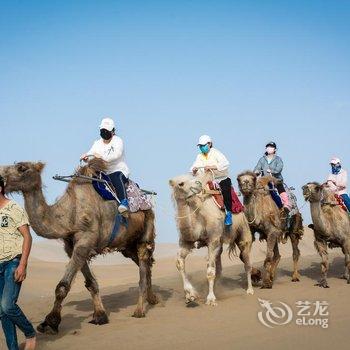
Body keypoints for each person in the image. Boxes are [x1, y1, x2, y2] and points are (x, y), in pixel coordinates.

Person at [0, 176, 36, 350]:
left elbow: (27, 237)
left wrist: (22, 264)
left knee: (7, 306)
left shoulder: (13, 208)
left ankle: (29, 332)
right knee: (2, 312)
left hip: (13, 262)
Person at [81, 117, 130, 213]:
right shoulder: (97, 143)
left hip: (117, 170)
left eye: (106, 130)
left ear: (113, 131)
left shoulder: (118, 141)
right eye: (102, 130)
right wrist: (86, 158)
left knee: (116, 176)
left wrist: (100, 157)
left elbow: (116, 154)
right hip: (103, 172)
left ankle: (124, 202)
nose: (104, 132)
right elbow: (91, 154)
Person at [191, 135, 233, 226]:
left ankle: (228, 213)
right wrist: (194, 170)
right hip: (206, 180)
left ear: (209, 144)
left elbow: (225, 163)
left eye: (203, 145)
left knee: (226, 192)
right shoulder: (199, 156)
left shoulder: (216, 153)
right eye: (200, 146)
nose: (202, 147)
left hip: (221, 179)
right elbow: (195, 167)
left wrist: (212, 167)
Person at [254, 141, 290, 210]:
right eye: (268, 147)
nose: (269, 148)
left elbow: (279, 168)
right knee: (256, 189)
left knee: (280, 188)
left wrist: (272, 171)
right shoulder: (262, 159)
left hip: (276, 179)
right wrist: (256, 172)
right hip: (265, 180)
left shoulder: (278, 159)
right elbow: (257, 167)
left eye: (271, 147)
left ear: (275, 149)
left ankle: (286, 205)